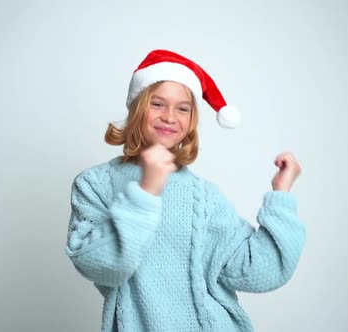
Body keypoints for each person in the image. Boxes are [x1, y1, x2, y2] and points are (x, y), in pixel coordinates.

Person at [65, 49, 306, 332]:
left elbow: (260, 269)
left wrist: (282, 194)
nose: (170, 116)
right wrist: (146, 190)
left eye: (183, 108)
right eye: (157, 104)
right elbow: (100, 265)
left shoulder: (202, 196)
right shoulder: (95, 184)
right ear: (137, 107)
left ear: (191, 121)